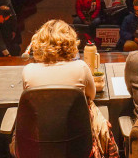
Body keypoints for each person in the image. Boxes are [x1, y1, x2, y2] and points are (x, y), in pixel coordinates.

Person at [21, 20, 119, 158]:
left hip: (38, 147)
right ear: (70, 43)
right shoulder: (81, 67)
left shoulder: (28, 71)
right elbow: (91, 95)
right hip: (80, 147)